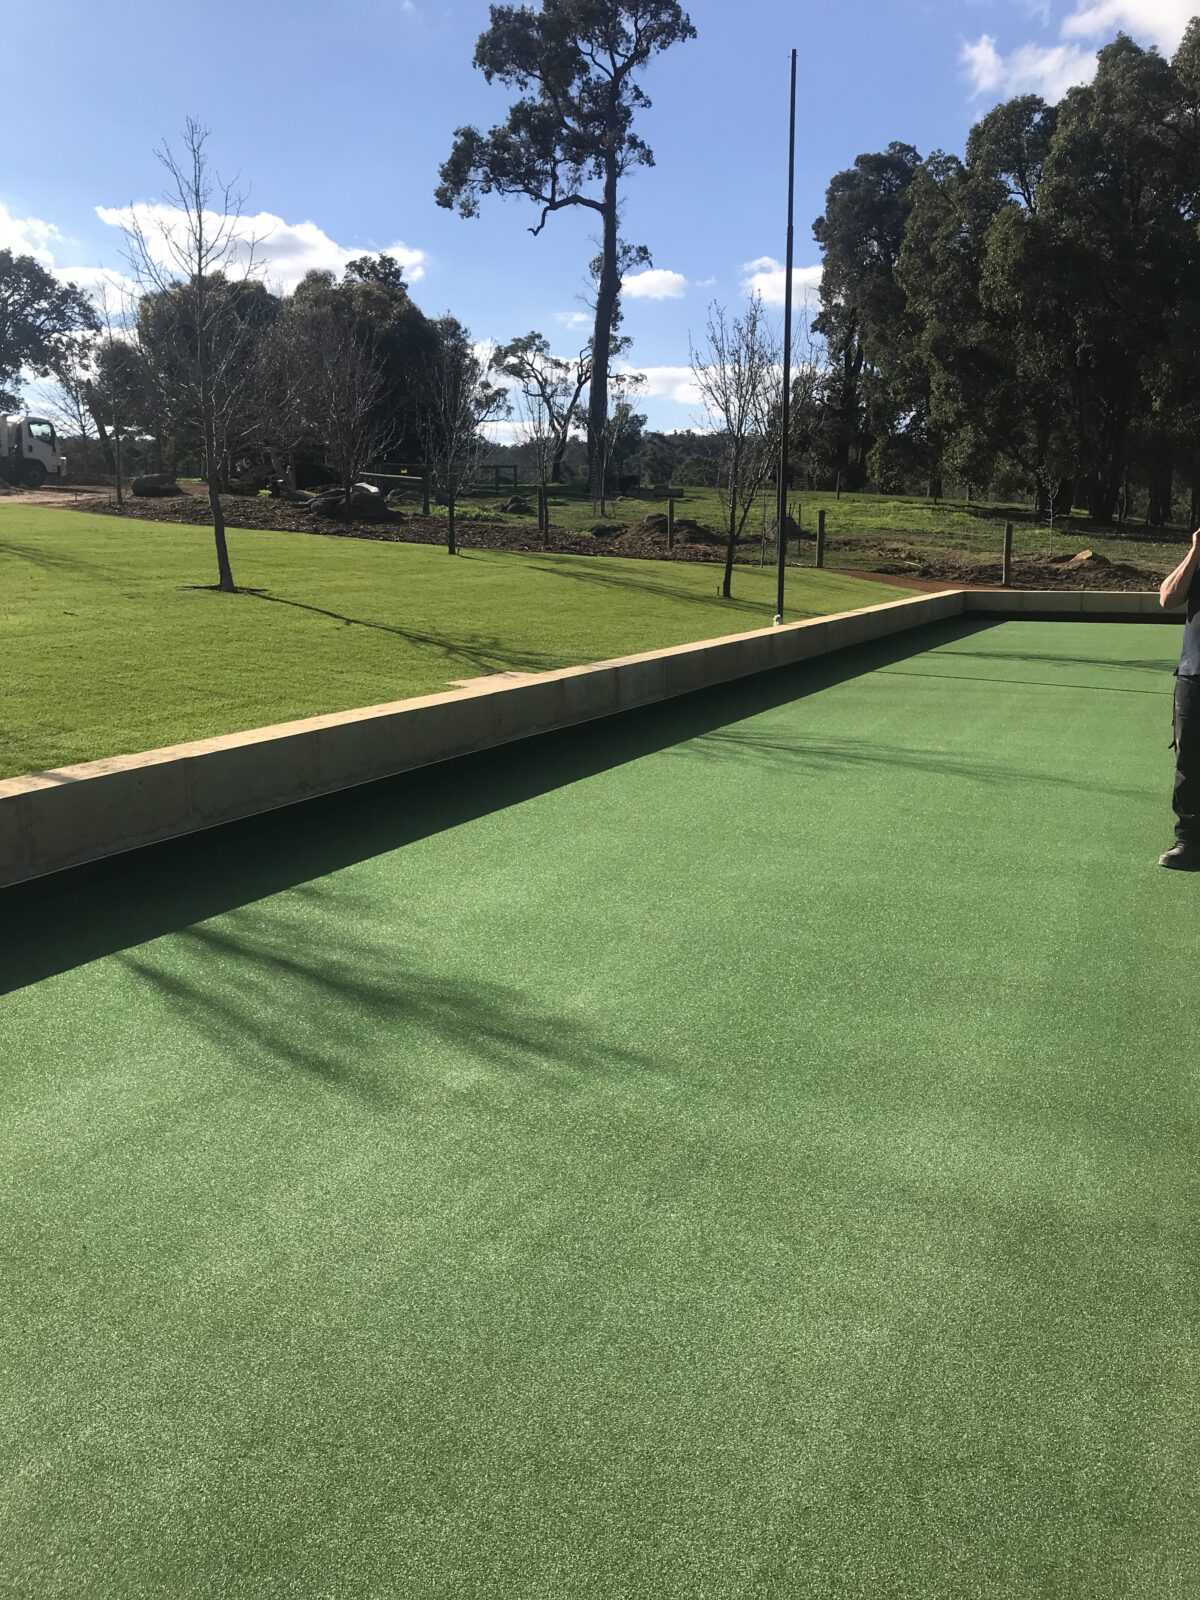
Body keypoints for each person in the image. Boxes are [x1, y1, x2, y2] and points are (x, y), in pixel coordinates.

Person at [1159, 529, 1200, 868]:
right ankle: (1187, 842)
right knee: (1188, 762)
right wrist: (1195, 552)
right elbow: (1167, 597)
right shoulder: (1196, 562)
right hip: (1193, 674)